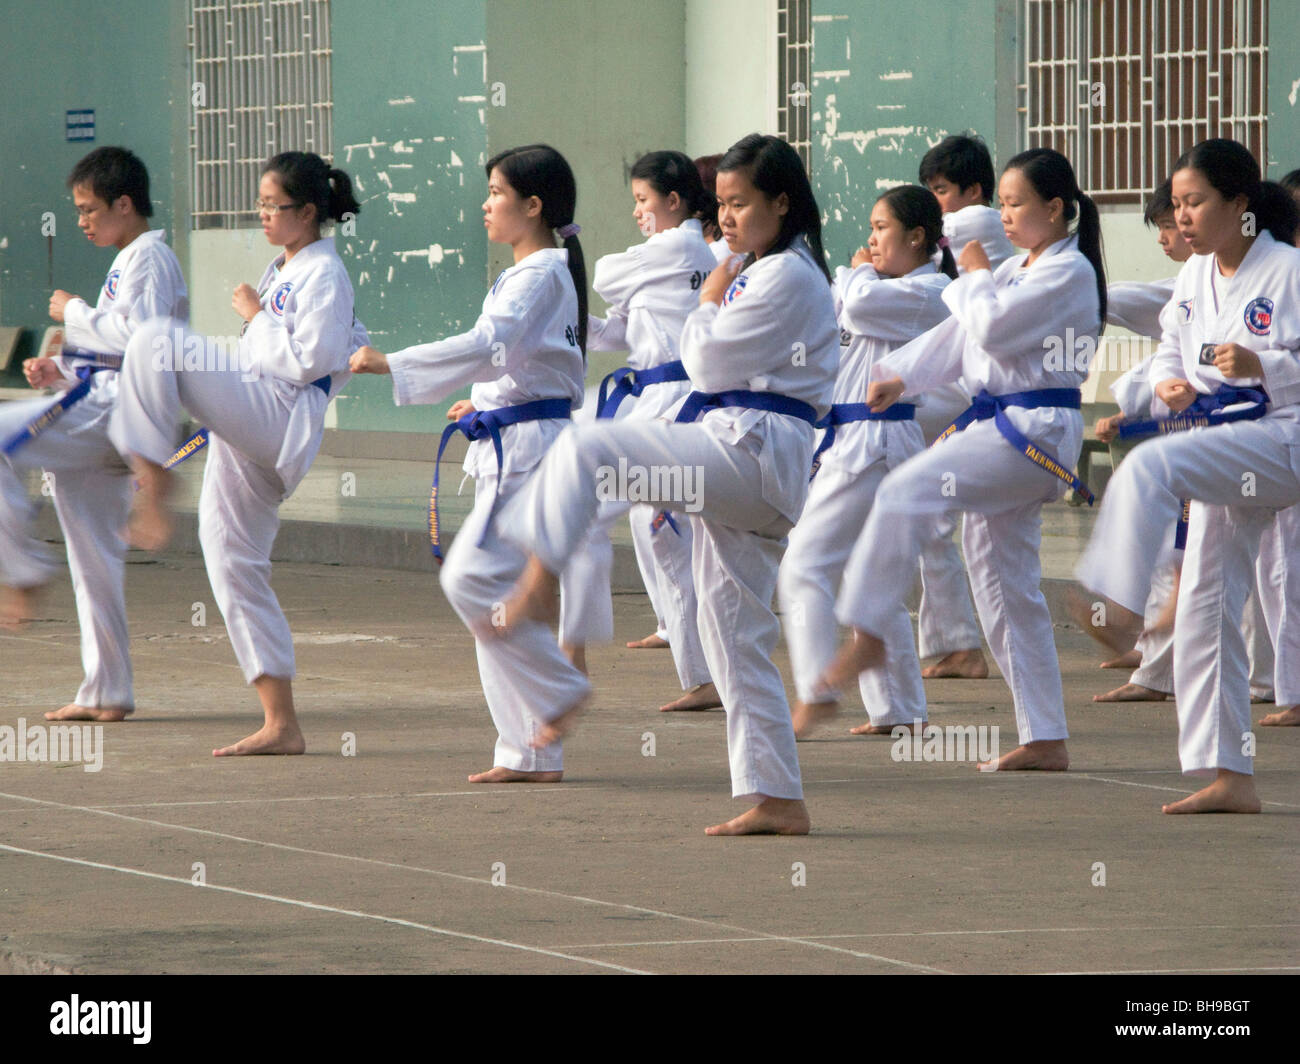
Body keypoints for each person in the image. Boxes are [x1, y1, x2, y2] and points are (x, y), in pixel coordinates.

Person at [499, 134, 839, 835]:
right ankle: (778, 797)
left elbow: (707, 363)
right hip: (748, 459)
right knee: (731, 629)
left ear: (782, 201)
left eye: (741, 204)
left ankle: (546, 609)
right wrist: (714, 297)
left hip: (750, 455)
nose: (729, 220)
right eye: (723, 206)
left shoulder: (785, 277)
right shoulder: (764, 268)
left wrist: (707, 301)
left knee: (590, 449)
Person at [821, 147, 1106, 774]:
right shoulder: (1018, 269)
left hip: (1031, 430)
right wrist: (898, 374)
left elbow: (995, 331)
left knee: (906, 491)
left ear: (1055, 208)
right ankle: (1045, 734)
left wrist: (974, 270)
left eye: (1015, 203)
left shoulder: (1069, 273)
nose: (1003, 216)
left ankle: (864, 634)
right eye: (999, 203)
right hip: (1002, 427)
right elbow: (957, 338)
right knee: (1004, 584)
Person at [111, 151, 364, 756]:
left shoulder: (324, 273)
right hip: (250, 418)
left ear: (306, 211)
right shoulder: (290, 267)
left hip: (276, 416)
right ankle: (282, 723)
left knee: (158, 340)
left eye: (272, 207)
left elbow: (310, 359)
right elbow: (337, 347)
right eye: (259, 206)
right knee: (232, 561)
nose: (263, 217)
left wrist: (253, 319)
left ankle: (152, 477)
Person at [349, 144, 588, 784]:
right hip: (520, 441)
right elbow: (515, 363)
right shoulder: (535, 273)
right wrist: (480, 400)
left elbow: (491, 346)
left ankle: (559, 689)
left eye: (496, 193)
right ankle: (528, 751)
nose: (485, 204)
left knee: (469, 581)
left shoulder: (540, 274)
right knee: (494, 596)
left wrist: (393, 362)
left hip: (531, 453)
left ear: (533, 206)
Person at [1074, 138, 1300, 812]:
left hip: (1284, 438)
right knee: (1206, 602)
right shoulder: (1195, 276)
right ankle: (1230, 773)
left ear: (1239, 203)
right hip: (1228, 444)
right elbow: (1172, 345)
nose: (1184, 216)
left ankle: (1113, 600)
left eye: (1195, 202)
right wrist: (1171, 382)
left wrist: (1266, 367)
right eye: (1177, 205)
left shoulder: (1288, 271)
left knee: (1152, 467)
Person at [779, 185, 985, 740]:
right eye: (869, 229)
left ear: (917, 237)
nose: (870, 241)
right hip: (854, 437)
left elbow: (859, 302)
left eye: (881, 228)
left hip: (875, 442)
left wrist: (853, 275)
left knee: (804, 564)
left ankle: (819, 687)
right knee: (868, 574)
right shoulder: (882, 286)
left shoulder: (929, 290)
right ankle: (899, 708)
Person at [0, 146, 188, 723]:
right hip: (98, 403)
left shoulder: (150, 260)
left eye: (88, 209)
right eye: (77, 210)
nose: (81, 220)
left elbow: (145, 340)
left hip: (116, 414)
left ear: (124, 204)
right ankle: (106, 691)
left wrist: (74, 311)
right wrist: (58, 370)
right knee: (94, 560)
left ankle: (22, 570)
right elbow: (113, 349)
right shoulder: (126, 260)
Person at [581, 150, 723, 711]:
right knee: (660, 529)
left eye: (643, 201)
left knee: (661, 528)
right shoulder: (674, 257)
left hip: (674, 401)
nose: (638, 213)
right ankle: (698, 668)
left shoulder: (677, 246)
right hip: (658, 396)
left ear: (674, 200)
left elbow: (604, 275)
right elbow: (621, 328)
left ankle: (703, 671)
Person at [1089, 179, 1191, 701]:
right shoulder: (1195, 281)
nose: (1167, 234)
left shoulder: (1258, 278)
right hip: (1187, 438)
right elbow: (1162, 352)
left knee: (1191, 560)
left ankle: (1160, 664)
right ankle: (1155, 658)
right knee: (1170, 553)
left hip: (1237, 441)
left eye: (1173, 221)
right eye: (1172, 217)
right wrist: (1130, 415)